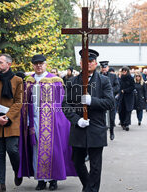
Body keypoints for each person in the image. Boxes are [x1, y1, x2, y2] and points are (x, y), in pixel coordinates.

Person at [18, 54, 76, 191]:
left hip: (51, 121)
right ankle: (41, 180)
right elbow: (24, 103)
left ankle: (53, 179)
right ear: (33, 65)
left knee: (53, 150)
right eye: (36, 63)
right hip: (33, 120)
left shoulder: (55, 80)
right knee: (36, 148)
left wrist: (60, 121)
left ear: (45, 64)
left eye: (41, 63)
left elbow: (60, 103)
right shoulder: (29, 81)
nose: (38, 65)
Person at [62, 49, 114, 192]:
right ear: (80, 63)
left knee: (96, 165)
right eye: (85, 61)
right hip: (79, 127)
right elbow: (65, 105)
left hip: (96, 127)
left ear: (95, 63)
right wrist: (76, 120)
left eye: (90, 61)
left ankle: (91, 190)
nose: (88, 64)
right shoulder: (72, 82)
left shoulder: (104, 81)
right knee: (77, 161)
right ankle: (88, 186)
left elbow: (110, 103)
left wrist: (93, 101)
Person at [0, 54, 24, 192]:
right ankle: (0, 184)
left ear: (9, 64)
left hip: (12, 121)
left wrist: (7, 117)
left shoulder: (18, 80)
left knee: (12, 150)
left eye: (1, 62)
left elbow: (19, 102)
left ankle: (17, 171)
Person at [99, 61, 120, 140]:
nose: (104, 69)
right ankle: (102, 133)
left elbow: (117, 87)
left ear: (107, 68)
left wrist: (110, 91)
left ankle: (111, 132)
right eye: (102, 68)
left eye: (105, 67)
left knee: (111, 118)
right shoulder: (97, 76)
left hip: (110, 99)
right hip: (101, 99)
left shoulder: (113, 76)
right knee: (101, 117)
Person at [117, 66, 135, 131]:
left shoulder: (130, 78)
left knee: (128, 111)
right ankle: (122, 122)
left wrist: (125, 90)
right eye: (123, 71)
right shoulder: (120, 78)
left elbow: (133, 87)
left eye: (125, 71)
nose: (124, 72)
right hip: (121, 97)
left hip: (129, 97)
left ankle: (127, 124)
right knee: (121, 110)